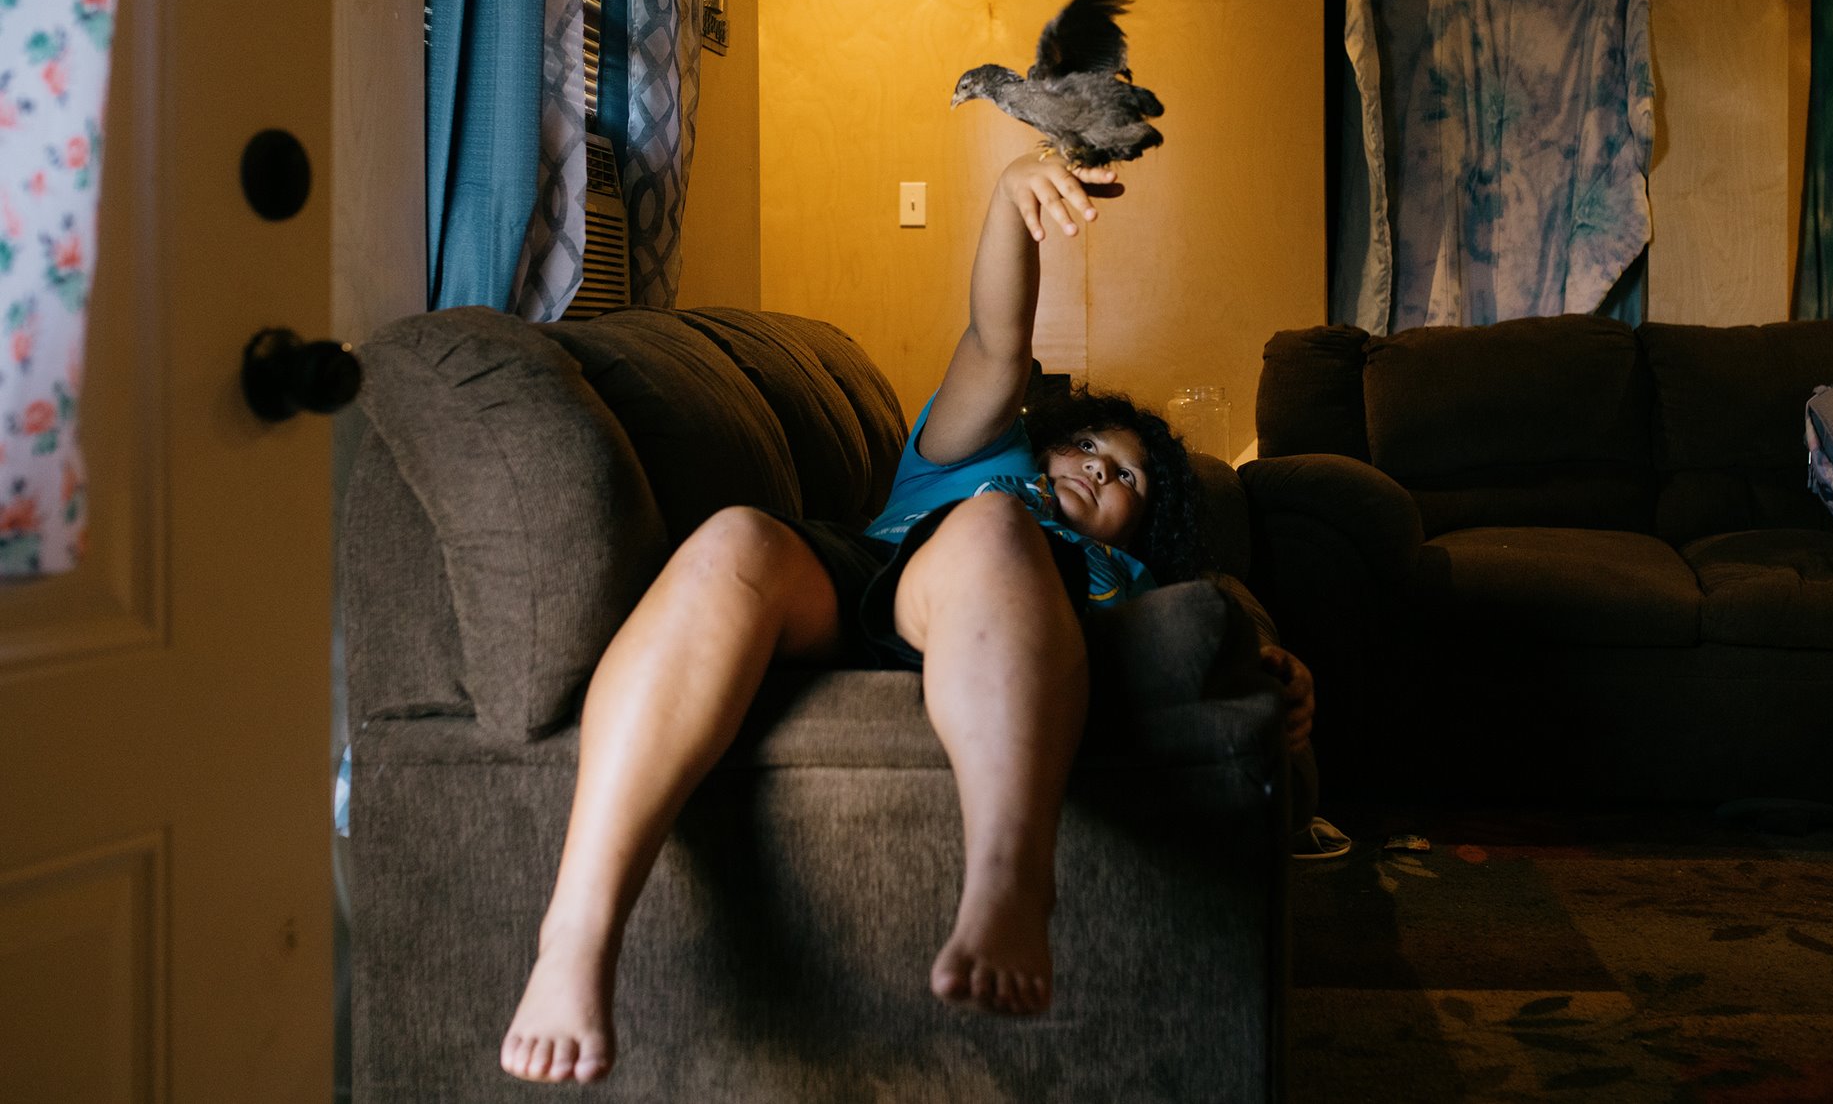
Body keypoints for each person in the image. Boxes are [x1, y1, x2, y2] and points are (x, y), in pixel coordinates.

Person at [499, 148, 1316, 1085]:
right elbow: (999, 339)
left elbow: (1214, 639)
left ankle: (1010, 880)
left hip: (1002, 603)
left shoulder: (1121, 577)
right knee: (733, 542)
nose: (1094, 466)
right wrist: (1013, 201)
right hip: (872, 570)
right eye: (1084, 444)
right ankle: (576, 933)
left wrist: (1272, 673)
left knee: (995, 531)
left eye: (1124, 475)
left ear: (1148, 525)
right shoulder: (975, 454)